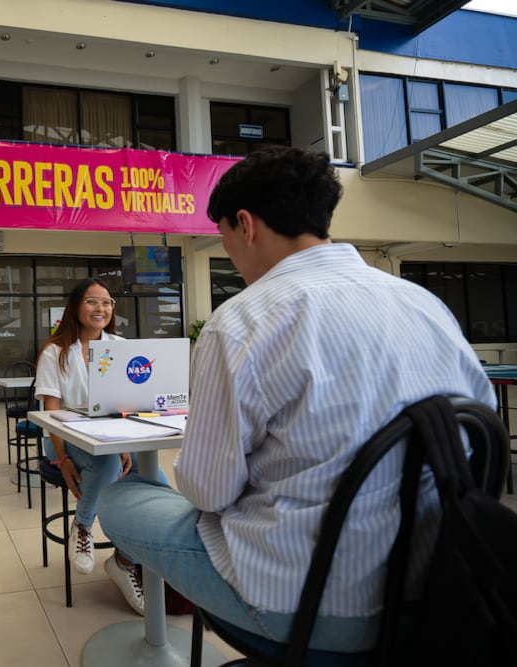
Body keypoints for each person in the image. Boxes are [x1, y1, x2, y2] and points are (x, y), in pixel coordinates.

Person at [97, 146, 495, 651]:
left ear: (246, 225)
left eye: (223, 239)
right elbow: (479, 435)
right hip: (435, 592)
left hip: (306, 608)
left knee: (124, 497)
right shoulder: (424, 303)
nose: (230, 256)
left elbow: (208, 492)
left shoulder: (243, 320)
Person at [34, 277, 168, 616]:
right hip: (64, 437)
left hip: (110, 436)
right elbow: (51, 410)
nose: (101, 308)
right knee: (108, 466)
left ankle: (125, 560)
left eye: (107, 302)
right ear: (76, 306)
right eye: (93, 301)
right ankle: (82, 524)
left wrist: (122, 441)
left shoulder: (119, 345)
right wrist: (63, 458)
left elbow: (124, 403)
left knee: (159, 483)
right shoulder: (55, 352)